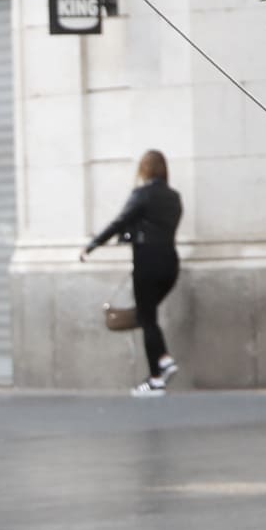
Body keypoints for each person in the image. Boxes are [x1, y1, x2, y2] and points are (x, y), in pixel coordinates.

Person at [83, 149, 184, 396]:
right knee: (147, 315)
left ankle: (158, 376)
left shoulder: (142, 195)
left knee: (147, 319)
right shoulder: (174, 197)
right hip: (170, 264)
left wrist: (94, 244)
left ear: (144, 169)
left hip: (147, 263)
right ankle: (161, 364)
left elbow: (120, 221)